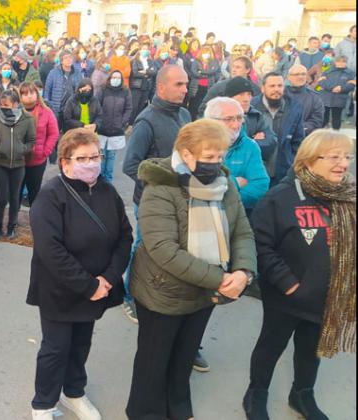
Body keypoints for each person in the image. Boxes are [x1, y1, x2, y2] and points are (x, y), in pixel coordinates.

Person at [126, 119, 257, 420]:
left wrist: (244, 272)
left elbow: (242, 233)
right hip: (163, 291)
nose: (216, 164)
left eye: (220, 156)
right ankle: (145, 412)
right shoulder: (160, 186)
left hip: (205, 291)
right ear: (186, 155)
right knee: (153, 360)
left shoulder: (224, 184)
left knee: (184, 356)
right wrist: (221, 278)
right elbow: (164, 250)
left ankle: (178, 408)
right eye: (208, 157)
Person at [243, 130, 355, 420]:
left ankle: (302, 394)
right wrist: (290, 285)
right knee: (271, 346)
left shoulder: (347, 197)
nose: (343, 163)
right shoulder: (281, 197)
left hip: (328, 297)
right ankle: (256, 394)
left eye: (347, 156)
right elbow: (261, 244)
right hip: (287, 297)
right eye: (334, 157)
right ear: (308, 160)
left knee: (311, 350)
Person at [27, 127, 133, 420]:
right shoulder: (50, 196)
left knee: (81, 343)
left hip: (99, 285)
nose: (91, 163)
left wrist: (109, 278)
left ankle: (74, 393)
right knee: (55, 349)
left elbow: (125, 236)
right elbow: (50, 250)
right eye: (82, 157)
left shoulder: (107, 191)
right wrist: (88, 286)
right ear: (65, 161)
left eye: (95, 156)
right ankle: (43, 403)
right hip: (60, 290)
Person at [121, 64, 190, 327]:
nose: (185, 89)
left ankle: (158, 292)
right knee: (143, 248)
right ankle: (129, 296)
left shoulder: (184, 114)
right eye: (179, 85)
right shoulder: (146, 121)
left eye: (185, 84)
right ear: (161, 87)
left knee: (169, 249)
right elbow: (130, 165)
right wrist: (165, 180)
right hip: (150, 201)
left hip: (180, 199)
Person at [204, 97, 269, 214]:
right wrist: (235, 182)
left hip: (240, 216)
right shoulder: (197, 145)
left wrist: (226, 202)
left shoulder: (250, 147)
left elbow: (260, 187)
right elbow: (197, 184)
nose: (236, 125)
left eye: (239, 118)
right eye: (228, 119)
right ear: (211, 121)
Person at [0, 88, 36, 239]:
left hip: (18, 165)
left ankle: (11, 226)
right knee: (2, 198)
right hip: (0, 163)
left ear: (15, 104)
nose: (3, 107)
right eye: (2, 104)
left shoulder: (27, 119)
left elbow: (31, 140)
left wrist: (22, 150)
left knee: (15, 198)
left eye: (7, 104)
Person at [251, 72, 306, 186]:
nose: (276, 89)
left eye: (280, 86)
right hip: (256, 172)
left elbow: (298, 141)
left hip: (284, 172)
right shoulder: (251, 108)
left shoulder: (294, 107)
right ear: (262, 88)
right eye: (272, 86)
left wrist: (293, 164)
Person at [224, 76, 278, 174]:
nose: (246, 99)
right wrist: (253, 141)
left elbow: (272, 141)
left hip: (252, 173)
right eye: (241, 94)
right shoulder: (218, 116)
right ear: (229, 98)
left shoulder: (256, 116)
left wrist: (246, 145)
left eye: (249, 94)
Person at [20, 81, 59, 205]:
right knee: (16, 191)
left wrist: (45, 152)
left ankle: (34, 218)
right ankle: (13, 220)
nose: (29, 96)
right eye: (25, 93)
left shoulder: (46, 112)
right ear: (20, 96)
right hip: (18, 160)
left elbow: (54, 133)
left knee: (34, 192)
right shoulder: (15, 111)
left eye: (32, 92)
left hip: (37, 160)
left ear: (37, 94)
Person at [97, 70, 132, 183]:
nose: (115, 79)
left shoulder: (126, 92)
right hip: (102, 129)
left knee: (111, 157)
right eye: (113, 77)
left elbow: (128, 108)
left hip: (116, 130)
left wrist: (122, 122)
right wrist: (99, 121)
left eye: (118, 77)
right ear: (110, 78)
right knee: (101, 156)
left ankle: (108, 183)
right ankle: (99, 180)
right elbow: (97, 106)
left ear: (121, 80)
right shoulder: (103, 90)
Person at [44, 50, 82, 131]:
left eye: (70, 57)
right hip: (57, 108)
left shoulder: (77, 73)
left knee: (70, 134)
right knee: (55, 132)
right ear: (61, 61)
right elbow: (47, 90)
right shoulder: (53, 72)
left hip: (71, 108)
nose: (69, 60)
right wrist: (49, 105)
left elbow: (80, 89)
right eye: (66, 58)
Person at [284, 64, 325, 136]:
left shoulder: (315, 98)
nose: (301, 77)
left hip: (304, 137)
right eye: (296, 74)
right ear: (289, 77)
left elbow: (316, 120)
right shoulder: (280, 94)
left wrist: (298, 129)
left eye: (303, 74)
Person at [317, 56, 355, 131]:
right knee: (324, 117)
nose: (341, 63)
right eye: (339, 61)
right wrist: (331, 88)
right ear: (335, 62)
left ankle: (336, 134)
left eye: (343, 61)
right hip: (326, 97)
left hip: (340, 98)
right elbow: (321, 82)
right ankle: (321, 133)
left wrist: (341, 88)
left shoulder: (351, 73)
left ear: (346, 63)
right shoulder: (328, 71)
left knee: (336, 118)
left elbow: (352, 84)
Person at [129, 46, 157, 124]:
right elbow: (135, 73)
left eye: (147, 49)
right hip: (136, 86)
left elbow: (154, 72)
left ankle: (138, 122)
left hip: (147, 86)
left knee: (141, 106)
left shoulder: (150, 61)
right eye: (143, 49)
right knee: (134, 106)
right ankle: (130, 123)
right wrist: (148, 73)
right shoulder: (135, 60)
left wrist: (145, 72)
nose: (145, 50)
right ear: (140, 50)